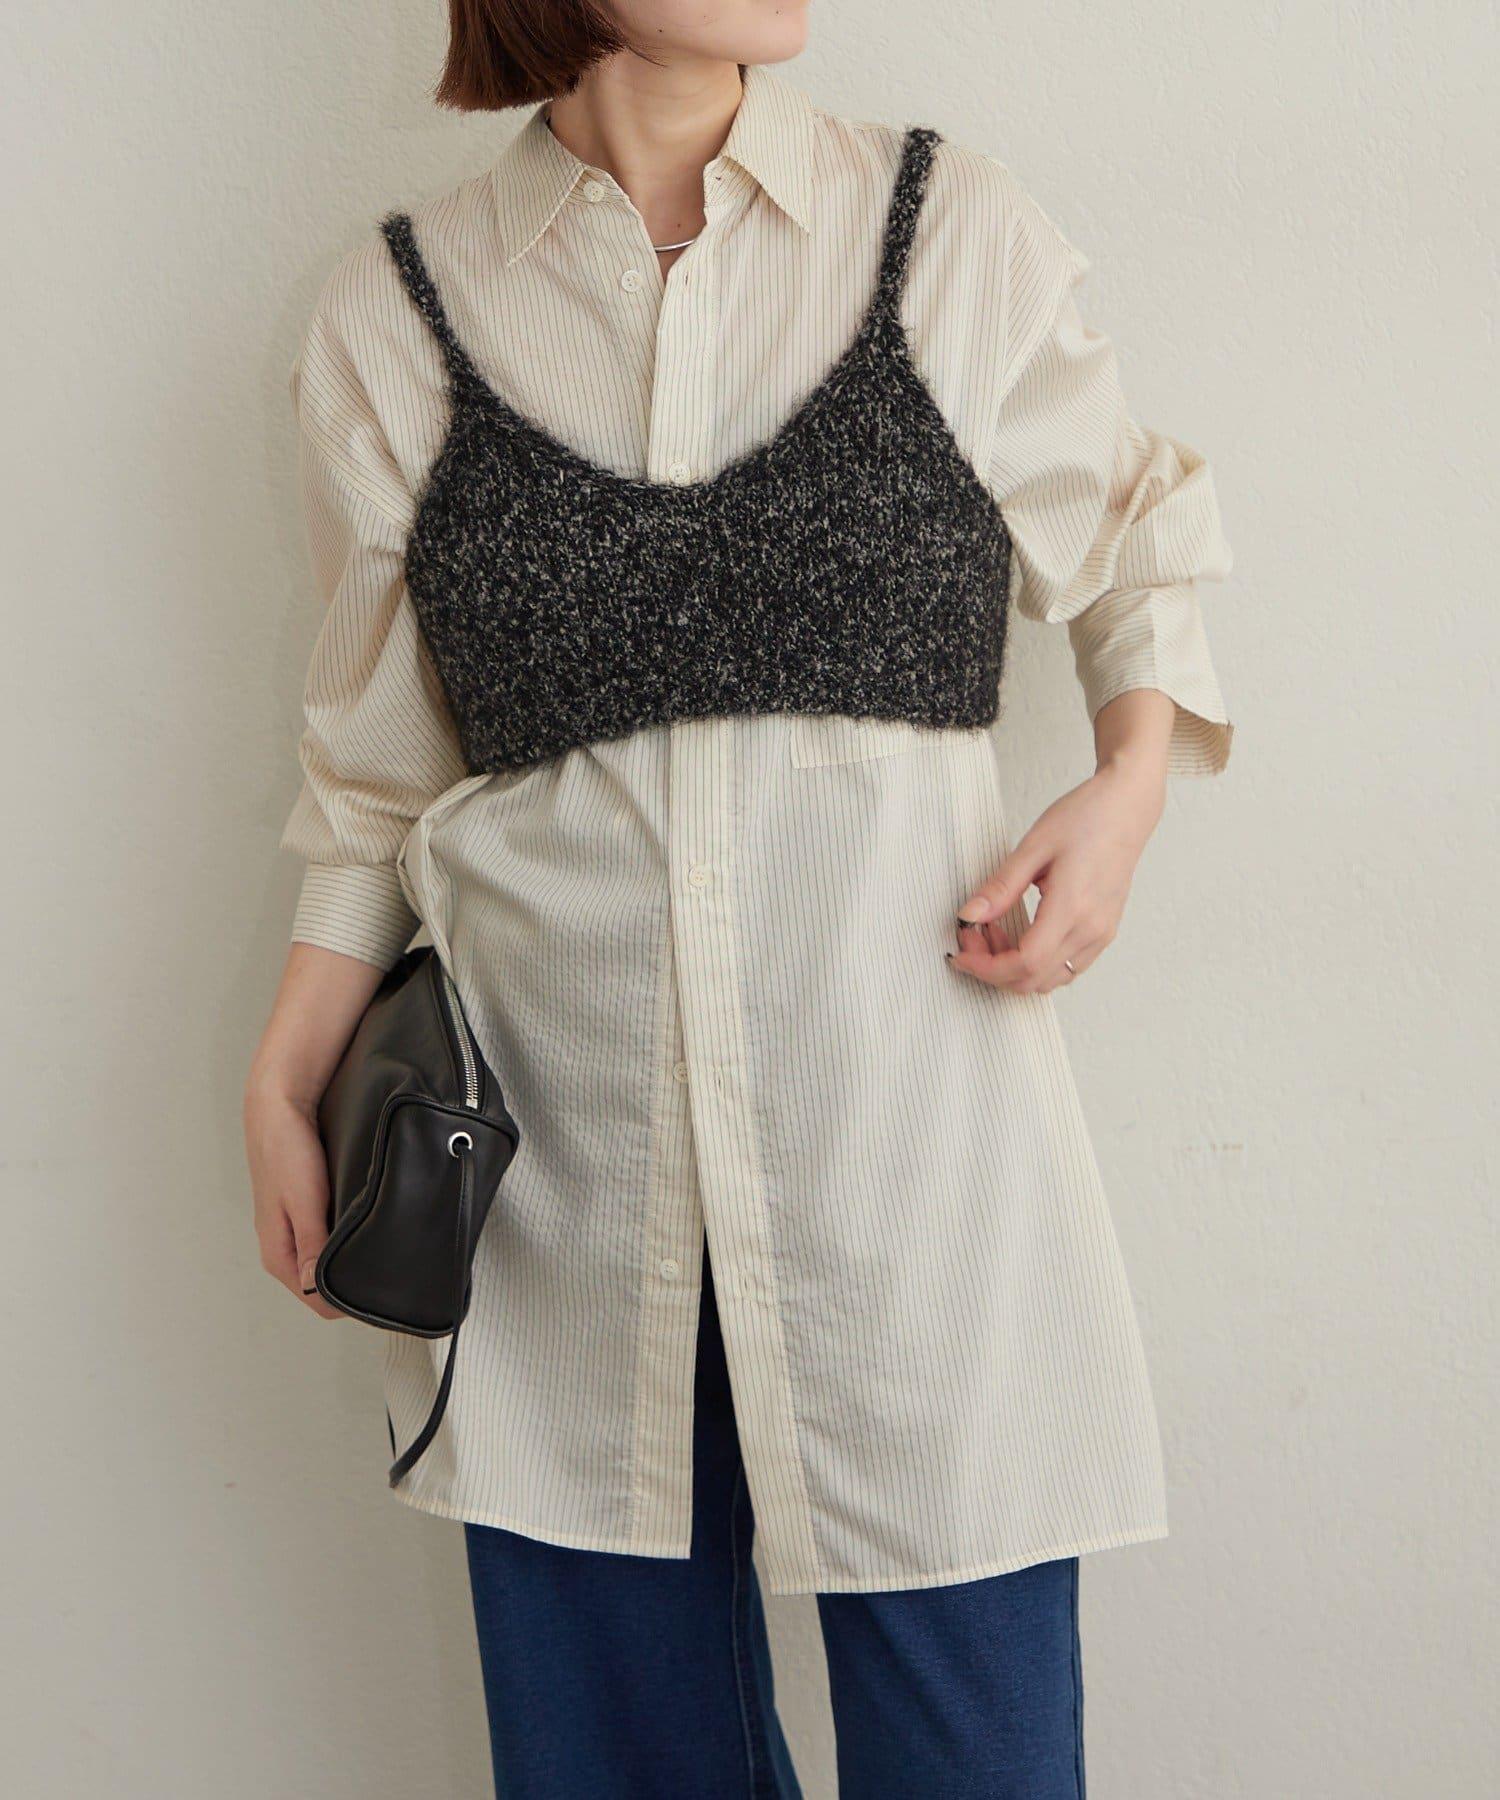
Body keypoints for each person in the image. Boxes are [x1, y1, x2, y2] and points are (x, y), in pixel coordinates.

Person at [244, 4, 1233, 1793]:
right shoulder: (394, 312)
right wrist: (284, 1065)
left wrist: (1129, 783)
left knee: (982, 1757)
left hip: (913, 1176)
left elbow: (1133, 538)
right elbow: (378, 778)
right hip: (553, 1204)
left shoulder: (943, 229)